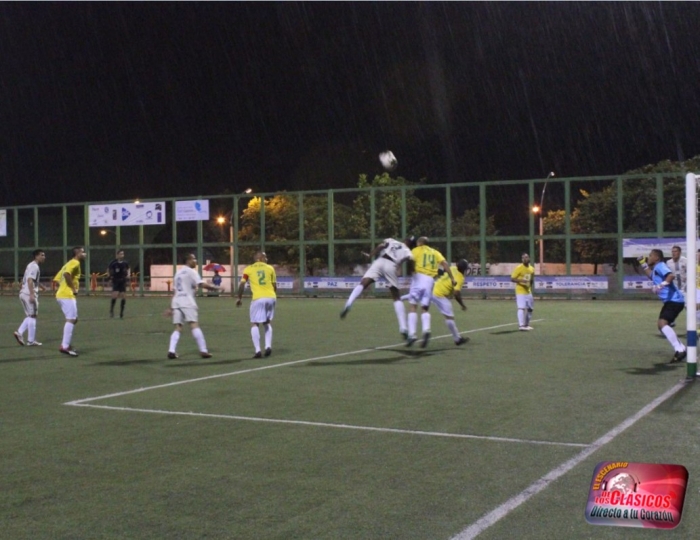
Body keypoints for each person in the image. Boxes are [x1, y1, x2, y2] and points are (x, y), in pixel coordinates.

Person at [340, 237, 414, 339]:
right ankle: (403, 328)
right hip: (391, 264)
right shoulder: (408, 251)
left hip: (380, 261)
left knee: (363, 283)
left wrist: (371, 255)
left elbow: (381, 246)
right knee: (396, 297)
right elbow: (410, 261)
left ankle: (348, 304)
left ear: (404, 240)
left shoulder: (392, 241)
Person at [165, 253, 221, 359]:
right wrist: (215, 288)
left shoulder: (178, 273)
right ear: (188, 261)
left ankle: (171, 350)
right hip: (187, 301)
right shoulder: (191, 272)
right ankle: (203, 350)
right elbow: (201, 284)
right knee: (194, 325)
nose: (195, 261)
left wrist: (170, 307)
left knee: (178, 327)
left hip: (177, 302)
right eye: (193, 259)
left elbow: (175, 292)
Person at [638, 249, 687, 363]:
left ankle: (680, 349)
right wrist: (643, 263)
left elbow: (671, 275)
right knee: (661, 325)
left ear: (657, 258)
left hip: (674, 300)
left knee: (662, 324)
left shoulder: (660, 266)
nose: (648, 257)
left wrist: (661, 285)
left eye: (650, 256)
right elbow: (651, 275)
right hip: (671, 301)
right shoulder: (656, 269)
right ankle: (680, 348)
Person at [406, 237, 454, 347]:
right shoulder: (435, 252)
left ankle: (412, 334)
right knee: (425, 308)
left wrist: (411, 272)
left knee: (413, 306)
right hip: (430, 281)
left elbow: (410, 261)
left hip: (419, 278)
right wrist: (452, 278)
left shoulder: (416, 250)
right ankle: (426, 329)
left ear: (420, 243)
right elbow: (445, 264)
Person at [237, 251, 277, 358]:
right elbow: (274, 286)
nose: (267, 259)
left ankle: (258, 350)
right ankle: (268, 346)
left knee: (254, 323)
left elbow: (242, 284)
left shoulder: (248, 269)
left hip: (258, 298)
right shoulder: (270, 268)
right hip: (271, 297)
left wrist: (239, 298)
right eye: (265, 257)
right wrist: (272, 297)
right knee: (267, 322)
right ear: (261, 258)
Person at [53, 246, 86, 356]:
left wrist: (63, 287)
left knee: (74, 319)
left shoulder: (67, 263)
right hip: (67, 295)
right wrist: (72, 288)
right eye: (82, 252)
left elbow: (57, 278)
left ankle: (66, 344)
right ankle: (65, 346)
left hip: (62, 294)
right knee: (71, 319)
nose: (84, 254)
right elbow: (67, 274)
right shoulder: (75, 262)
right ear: (77, 253)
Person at [431, 259, 470, 346]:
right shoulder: (460, 278)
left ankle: (457, 338)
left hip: (435, 289)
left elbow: (444, 271)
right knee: (449, 317)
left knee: (448, 316)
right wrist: (462, 305)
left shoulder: (452, 268)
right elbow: (456, 294)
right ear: (464, 269)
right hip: (440, 295)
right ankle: (457, 339)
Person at [14, 249, 46, 346]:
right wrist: (32, 294)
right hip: (28, 294)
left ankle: (21, 334)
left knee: (30, 316)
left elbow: (31, 279)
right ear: (36, 256)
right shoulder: (34, 266)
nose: (44, 257)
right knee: (33, 316)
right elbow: (30, 280)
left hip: (24, 293)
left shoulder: (30, 265)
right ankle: (29, 339)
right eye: (42, 255)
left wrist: (41, 286)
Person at [511, 252, 535, 331]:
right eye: (523, 258)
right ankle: (521, 326)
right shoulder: (519, 268)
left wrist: (530, 288)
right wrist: (521, 280)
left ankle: (526, 324)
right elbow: (512, 278)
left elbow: (531, 280)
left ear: (529, 258)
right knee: (521, 308)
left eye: (526, 257)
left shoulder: (531, 269)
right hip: (520, 291)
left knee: (530, 308)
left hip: (528, 291)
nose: (524, 259)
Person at [108, 249, 130, 318]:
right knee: (115, 295)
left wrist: (128, 274)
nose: (122, 255)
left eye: (123, 254)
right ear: (117, 255)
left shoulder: (125, 263)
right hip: (116, 280)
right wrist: (110, 278)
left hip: (123, 280)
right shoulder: (113, 263)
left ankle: (121, 313)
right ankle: (111, 310)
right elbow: (108, 269)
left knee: (123, 296)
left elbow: (128, 268)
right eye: (120, 254)